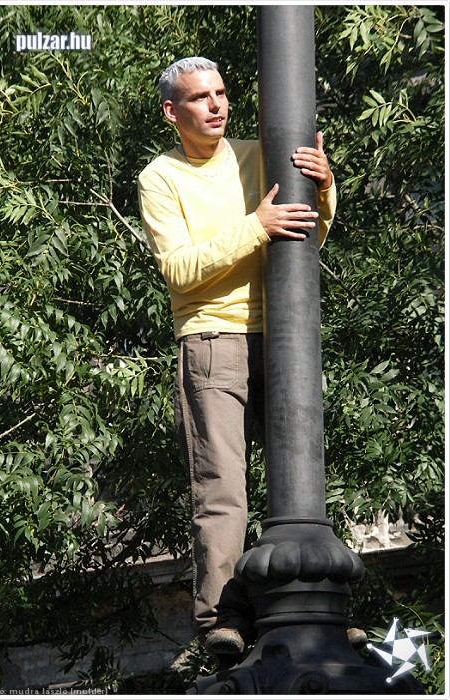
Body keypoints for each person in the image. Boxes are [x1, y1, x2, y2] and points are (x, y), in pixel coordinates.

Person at [138, 56, 365, 660]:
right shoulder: (160, 177)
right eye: (199, 98)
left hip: (285, 333)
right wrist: (255, 225)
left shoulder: (259, 153)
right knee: (223, 490)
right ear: (172, 111)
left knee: (305, 478)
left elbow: (308, 234)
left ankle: (317, 604)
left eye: (220, 93)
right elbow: (179, 270)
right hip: (213, 340)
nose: (215, 105)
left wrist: (323, 186)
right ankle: (223, 620)